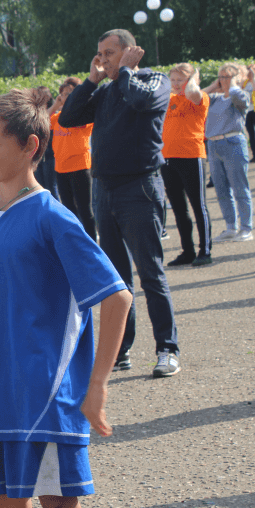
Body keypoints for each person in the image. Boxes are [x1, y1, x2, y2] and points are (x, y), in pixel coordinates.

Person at [0, 88, 133, 508]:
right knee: (6, 501)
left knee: (57, 504)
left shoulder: (51, 217)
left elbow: (118, 296)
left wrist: (97, 385)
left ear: (30, 145)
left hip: (43, 391)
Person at [58, 28, 181, 377]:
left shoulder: (154, 80)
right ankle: (121, 350)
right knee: (116, 279)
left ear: (130, 52)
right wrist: (91, 81)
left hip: (138, 188)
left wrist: (125, 70)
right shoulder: (107, 89)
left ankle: (167, 348)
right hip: (105, 189)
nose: (103, 60)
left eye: (109, 53)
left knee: (150, 273)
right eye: (100, 54)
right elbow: (68, 118)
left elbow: (142, 102)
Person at [160, 64, 212, 266]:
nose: (175, 84)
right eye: (172, 79)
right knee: (179, 208)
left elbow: (192, 92)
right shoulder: (169, 99)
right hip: (168, 158)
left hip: (191, 156)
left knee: (198, 205)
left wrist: (193, 78)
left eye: (179, 80)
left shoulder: (198, 97)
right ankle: (187, 251)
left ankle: (204, 251)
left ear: (190, 80)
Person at [202, 62, 255, 243]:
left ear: (237, 78)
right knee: (221, 189)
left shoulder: (240, 94)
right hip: (214, 145)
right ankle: (231, 227)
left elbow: (241, 100)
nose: (224, 80)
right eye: (221, 76)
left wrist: (233, 84)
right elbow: (198, 97)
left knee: (240, 187)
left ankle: (246, 228)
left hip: (233, 143)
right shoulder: (215, 98)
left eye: (228, 76)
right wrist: (214, 85)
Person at [48, 77, 96, 239]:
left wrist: (74, 102)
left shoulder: (83, 115)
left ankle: (91, 241)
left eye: (69, 94)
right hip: (61, 167)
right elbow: (42, 122)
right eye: (62, 94)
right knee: (68, 210)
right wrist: (55, 105)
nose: (65, 97)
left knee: (84, 209)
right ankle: (77, 241)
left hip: (80, 166)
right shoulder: (58, 116)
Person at [32, 86, 60, 200]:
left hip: (51, 156)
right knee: (40, 188)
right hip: (39, 156)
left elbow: (43, 121)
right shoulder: (35, 113)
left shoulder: (55, 113)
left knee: (51, 188)